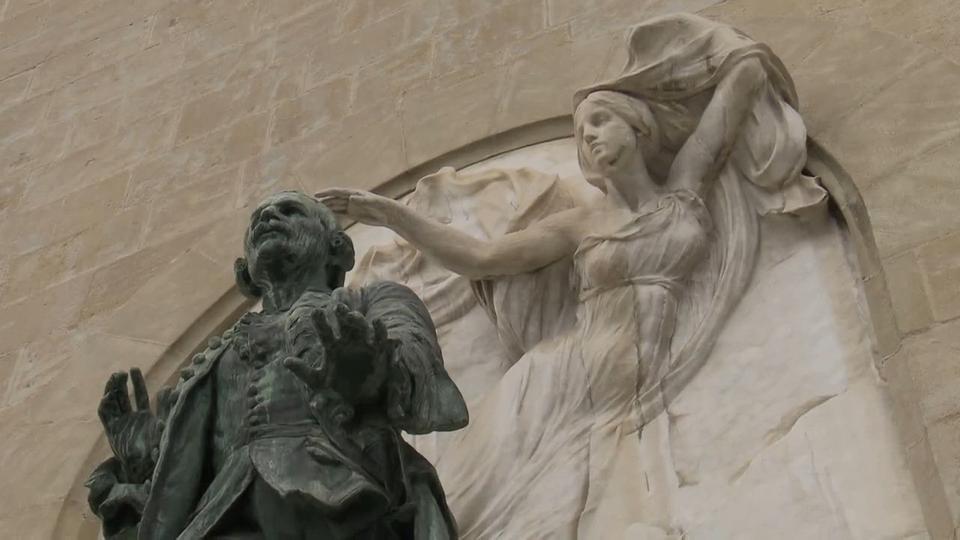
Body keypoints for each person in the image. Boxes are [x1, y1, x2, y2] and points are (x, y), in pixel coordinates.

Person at [317, 13, 825, 539]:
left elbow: (738, 84)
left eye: (600, 123)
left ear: (638, 124)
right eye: (582, 135)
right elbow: (481, 258)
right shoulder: (580, 223)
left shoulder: (685, 191)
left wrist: (719, 48)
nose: (590, 138)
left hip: (635, 375)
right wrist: (388, 214)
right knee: (467, 500)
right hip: (561, 376)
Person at [88, 192, 467, 539]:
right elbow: (183, 478)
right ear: (245, 271)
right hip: (222, 514)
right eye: (257, 221)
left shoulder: (370, 302)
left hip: (343, 499)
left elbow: (420, 368)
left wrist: (372, 372)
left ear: (337, 248)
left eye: (290, 211)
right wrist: (141, 452)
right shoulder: (213, 358)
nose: (268, 217)